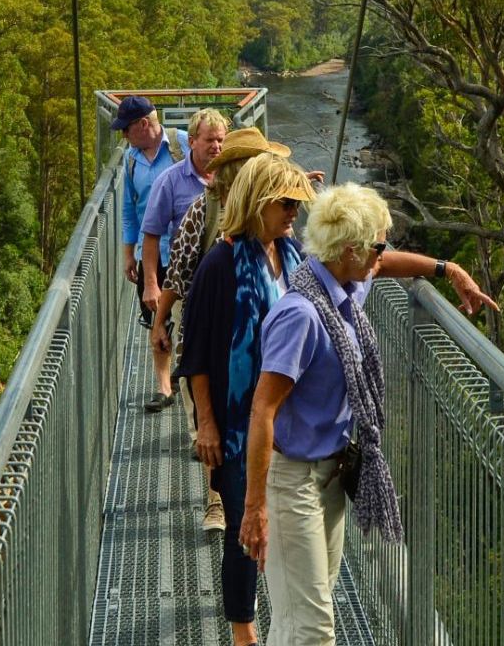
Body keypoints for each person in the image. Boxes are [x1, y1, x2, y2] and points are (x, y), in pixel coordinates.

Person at [241, 183, 498, 645]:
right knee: (314, 629)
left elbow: (388, 265)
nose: (383, 253)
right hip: (292, 480)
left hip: (331, 475)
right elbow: (263, 409)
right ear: (350, 250)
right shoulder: (302, 314)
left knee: (299, 616)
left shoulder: (341, 291)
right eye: (377, 245)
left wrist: (448, 269)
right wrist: (254, 508)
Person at [176, 153, 315, 646]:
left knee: (275, 528)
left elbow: (357, 264)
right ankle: (244, 633)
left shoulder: (291, 254)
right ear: (258, 202)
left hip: (285, 422)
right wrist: (206, 425)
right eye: (285, 202)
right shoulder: (220, 264)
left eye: (298, 203)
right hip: (238, 425)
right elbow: (193, 353)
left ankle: (281, 619)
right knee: (244, 528)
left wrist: (438, 269)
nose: (294, 211)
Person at [158, 125, 297, 535]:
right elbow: (181, 271)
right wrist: (160, 318)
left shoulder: (283, 247)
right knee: (224, 464)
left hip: (270, 400)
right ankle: (218, 501)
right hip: (212, 349)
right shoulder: (206, 220)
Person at [138, 107, 229, 412]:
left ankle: (210, 418)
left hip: (224, 281)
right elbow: (150, 235)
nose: (216, 147)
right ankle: (192, 420)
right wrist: (151, 284)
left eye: (221, 141)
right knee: (190, 351)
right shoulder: (170, 181)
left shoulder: (233, 176)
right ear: (191, 141)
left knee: (218, 352)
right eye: (209, 141)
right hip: (183, 277)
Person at [115, 95, 188, 325]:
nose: (123, 136)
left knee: (189, 324)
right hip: (151, 257)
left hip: (187, 253)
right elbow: (129, 210)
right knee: (158, 330)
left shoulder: (185, 144)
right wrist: (128, 255)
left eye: (126, 130)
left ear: (143, 124)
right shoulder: (130, 159)